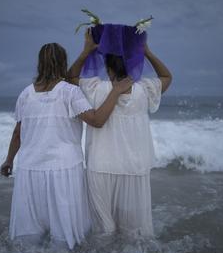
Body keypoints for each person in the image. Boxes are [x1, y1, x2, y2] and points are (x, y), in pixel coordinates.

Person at [0, 42, 132, 249]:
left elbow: (18, 133)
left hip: (29, 169)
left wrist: (8, 160)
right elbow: (97, 121)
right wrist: (115, 92)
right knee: (64, 235)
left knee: (29, 238)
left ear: (39, 64)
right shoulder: (70, 92)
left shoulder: (26, 94)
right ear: (63, 62)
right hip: (64, 170)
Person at [68, 29, 172, 237]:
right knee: (133, 231)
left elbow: (70, 78)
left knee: (104, 229)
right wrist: (147, 52)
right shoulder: (144, 90)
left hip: (101, 166)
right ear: (134, 63)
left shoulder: (96, 88)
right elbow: (166, 76)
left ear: (106, 66)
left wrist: (85, 51)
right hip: (134, 167)